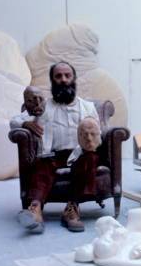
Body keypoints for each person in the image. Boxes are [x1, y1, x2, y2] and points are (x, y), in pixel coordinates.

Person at [11, 62, 100, 233]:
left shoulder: (88, 108)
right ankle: (35, 210)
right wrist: (26, 123)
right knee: (41, 164)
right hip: (52, 156)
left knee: (91, 158)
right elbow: (13, 121)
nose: (63, 80)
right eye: (58, 76)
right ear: (52, 81)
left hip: (78, 155)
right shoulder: (42, 107)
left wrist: (91, 142)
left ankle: (71, 209)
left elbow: (99, 134)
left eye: (67, 75)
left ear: (74, 79)